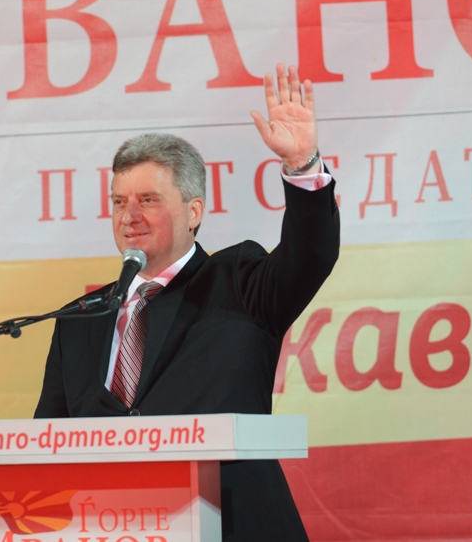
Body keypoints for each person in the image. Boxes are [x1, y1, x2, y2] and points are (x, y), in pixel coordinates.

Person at [34, 63, 340, 541]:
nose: (129, 216)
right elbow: (45, 443)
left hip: (233, 526)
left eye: (149, 200)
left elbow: (311, 254)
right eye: (119, 202)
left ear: (194, 211)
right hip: (110, 526)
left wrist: (302, 167)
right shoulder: (80, 317)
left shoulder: (240, 283)